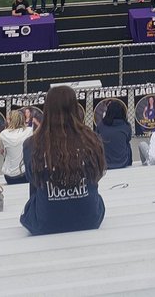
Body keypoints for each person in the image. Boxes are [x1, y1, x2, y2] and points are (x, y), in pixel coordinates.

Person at [20, 85, 106, 236]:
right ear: (74, 107)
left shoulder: (32, 144)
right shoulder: (92, 140)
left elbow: (33, 180)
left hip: (45, 222)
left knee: (36, 192)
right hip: (90, 218)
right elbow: (96, 177)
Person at [0, 109, 34, 184]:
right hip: (26, 175)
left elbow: (2, 151)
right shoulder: (30, 131)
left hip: (9, 177)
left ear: (10, 121)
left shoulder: (3, 134)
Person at [97, 100, 132, 170]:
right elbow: (128, 139)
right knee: (127, 144)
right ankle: (129, 163)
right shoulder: (126, 126)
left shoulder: (100, 125)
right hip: (123, 162)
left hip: (105, 163)